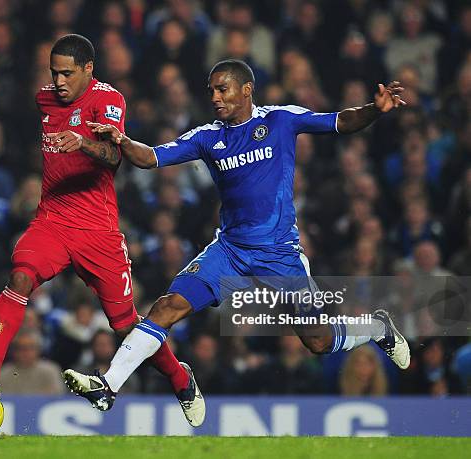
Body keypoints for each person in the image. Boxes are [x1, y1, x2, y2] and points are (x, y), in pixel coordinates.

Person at [63, 59, 411, 418]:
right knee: (167, 307)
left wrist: (375, 109)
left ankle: (377, 327)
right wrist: (121, 140)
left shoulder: (280, 120)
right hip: (229, 251)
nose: (214, 96)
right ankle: (109, 386)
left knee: (318, 340)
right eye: (211, 90)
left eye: (222, 88)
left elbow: (340, 121)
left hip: (279, 254)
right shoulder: (207, 137)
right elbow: (151, 158)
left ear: (246, 90)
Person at [0, 34, 201, 426]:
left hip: (98, 231)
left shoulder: (108, 100)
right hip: (53, 219)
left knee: (128, 326)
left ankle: (181, 379)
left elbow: (114, 156)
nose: (59, 81)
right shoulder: (45, 100)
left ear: (88, 70)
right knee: (20, 277)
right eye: (54, 72)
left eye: (67, 73)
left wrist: (82, 143)